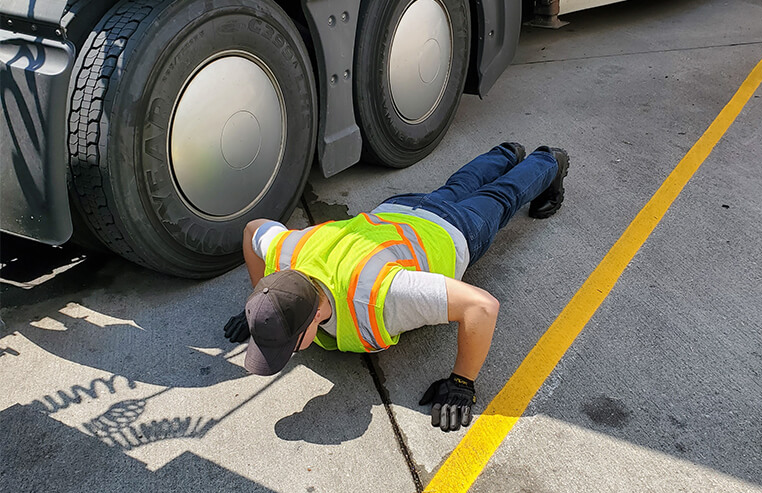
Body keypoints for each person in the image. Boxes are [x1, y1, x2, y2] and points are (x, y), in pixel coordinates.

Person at [223, 143, 569, 432]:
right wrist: (260, 305)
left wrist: (463, 381)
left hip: (452, 232)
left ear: (315, 315)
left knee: (501, 196)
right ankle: (506, 151)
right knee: (458, 186)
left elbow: (481, 306)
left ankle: (549, 160)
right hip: (398, 211)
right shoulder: (287, 251)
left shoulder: (379, 294)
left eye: (289, 343)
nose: (288, 351)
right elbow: (255, 230)